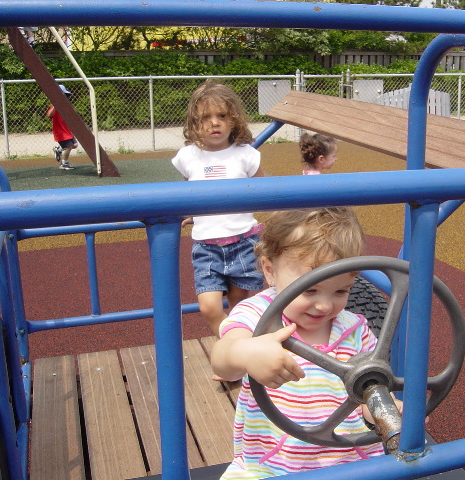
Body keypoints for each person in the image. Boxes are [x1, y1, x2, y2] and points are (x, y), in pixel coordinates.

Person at [211, 207, 395, 479]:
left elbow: (369, 390)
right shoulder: (257, 316)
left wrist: (386, 408)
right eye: (309, 289)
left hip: (349, 460)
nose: (324, 305)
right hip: (269, 464)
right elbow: (223, 359)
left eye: (341, 291)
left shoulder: (355, 329)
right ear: (270, 270)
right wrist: (247, 353)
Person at [172, 80, 265, 337]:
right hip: (207, 246)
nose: (215, 123)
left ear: (233, 119)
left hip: (243, 242)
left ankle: (238, 355)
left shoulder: (245, 154)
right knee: (209, 307)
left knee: (241, 307)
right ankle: (232, 345)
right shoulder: (188, 156)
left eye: (222, 116)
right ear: (194, 123)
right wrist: (190, 211)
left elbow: (267, 191)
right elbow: (187, 189)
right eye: (206, 117)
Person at [46, 84, 78, 170]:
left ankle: (59, 149)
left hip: (67, 130)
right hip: (60, 131)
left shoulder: (66, 106)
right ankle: (64, 163)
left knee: (74, 145)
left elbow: (74, 113)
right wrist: (56, 105)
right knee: (69, 146)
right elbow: (49, 115)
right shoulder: (53, 106)